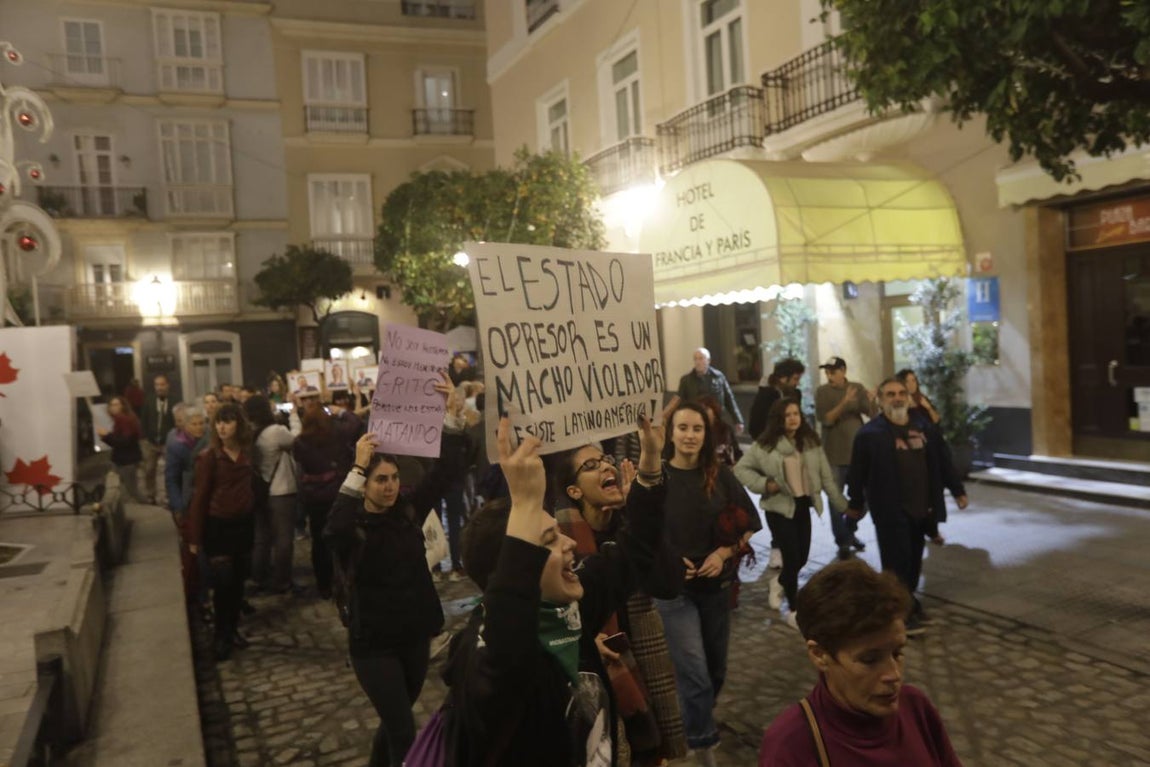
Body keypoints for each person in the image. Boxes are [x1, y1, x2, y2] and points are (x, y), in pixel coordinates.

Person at [446, 414, 667, 766]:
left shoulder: (567, 611)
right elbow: (507, 647)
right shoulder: (481, 655)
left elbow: (635, 549)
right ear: (512, 568)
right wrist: (524, 505)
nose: (568, 543)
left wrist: (651, 465)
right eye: (548, 539)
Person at [551, 442, 689, 765]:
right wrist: (584, 638)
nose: (605, 466)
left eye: (606, 460)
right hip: (596, 676)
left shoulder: (633, 525)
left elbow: (669, 585)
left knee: (647, 750)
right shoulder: (558, 540)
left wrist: (636, 512)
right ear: (574, 491)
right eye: (590, 466)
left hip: (642, 660)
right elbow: (548, 611)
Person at [758, 559, 963, 766]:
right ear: (819, 655)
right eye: (870, 660)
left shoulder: (916, 707)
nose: (894, 675)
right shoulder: (790, 747)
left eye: (897, 652)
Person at [324, 431, 448, 767]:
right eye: (380, 480)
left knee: (396, 721)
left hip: (414, 636)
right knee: (403, 730)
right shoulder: (353, 528)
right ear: (364, 485)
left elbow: (444, 474)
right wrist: (358, 467)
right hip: (374, 645)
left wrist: (450, 422)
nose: (390, 486)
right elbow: (333, 529)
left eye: (394, 478)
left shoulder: (407, 513)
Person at [656, 402, 759, 766]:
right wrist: (668, 562)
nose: (689, 435)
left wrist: (724, 552)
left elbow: (751, 524)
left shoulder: (721, 475)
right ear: (670, 433)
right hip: (674, 592)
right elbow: (640, 536)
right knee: (695, 672)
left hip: (716, 589)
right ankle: (703, 748)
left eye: (697, 429)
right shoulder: (657, 478)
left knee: (715, 671)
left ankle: (693, 719)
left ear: (706, 434)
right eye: (682, 427)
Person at [846, 378, 968, 635]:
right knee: (895, 566)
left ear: (909, 397)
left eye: (901, 393)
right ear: (880, 400)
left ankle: (908, 604)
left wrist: (957, 490)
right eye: (890, 394)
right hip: (890, 510)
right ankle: (897, 616)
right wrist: (855, 504)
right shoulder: (870, 434)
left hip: (921, 508)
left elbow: (942, 461)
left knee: (913, 563)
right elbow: (857, 473)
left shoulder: (923, 427)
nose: (897, 398)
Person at [734, 399, 847, 630]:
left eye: (796, 413)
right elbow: (740, 469)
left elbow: (826, 477)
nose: (793, 418)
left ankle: (780, 581)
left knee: (801, 558)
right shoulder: (766, 445)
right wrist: (766, 484)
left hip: (802, 507)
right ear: (779, 419)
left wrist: (843, 506)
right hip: (778, 509)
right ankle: (794, 610)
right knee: (792, 557)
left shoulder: (811, 442)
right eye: (787, 415)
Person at [187, 402, 255, 660]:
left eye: (227, 421)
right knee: (223, 584)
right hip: (218, 527)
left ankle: (232, 630)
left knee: (237, 583)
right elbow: (200, 497)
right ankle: (221, 636)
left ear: (239, 424)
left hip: (242, 525)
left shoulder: (246, 453)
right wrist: (194, 537)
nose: (222, 427)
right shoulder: (210, 457)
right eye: (218, 422)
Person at [294, 388, 357, 598]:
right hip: (338, 494)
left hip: (315, 498)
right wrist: (340, 411)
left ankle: (324, 585)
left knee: (319, 541)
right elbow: (355, 422)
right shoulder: (337, 434)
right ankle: (346, 578)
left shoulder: (299, 443)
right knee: (344, 537)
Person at [814, 357, 874, 560]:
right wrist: (845, 403)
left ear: (843, 371)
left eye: (833, 371)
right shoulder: (822, 392)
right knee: (835, 500)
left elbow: (872, 415)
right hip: (833, 456)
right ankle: (843, 541)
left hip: (858, 456)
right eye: (827, 372)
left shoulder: (857, 387)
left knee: (866, 497)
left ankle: (849, 529)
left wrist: (872, 400)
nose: (829, 375)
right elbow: (826, 419)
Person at [244, 395, 299, 595]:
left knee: (262, 537)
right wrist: (294, 415)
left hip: (259, 489)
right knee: (283, 538)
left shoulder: (249, 432)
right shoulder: (275, 432)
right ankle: (282, 580)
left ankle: (259, 577)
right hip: (280, 489)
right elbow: (296, 439)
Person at [668, 348, 745, 435]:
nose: (698, 362)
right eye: (695, 359)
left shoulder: (718, 377)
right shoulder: (686, 380)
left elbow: (729, 399)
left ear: (708, 360)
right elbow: (680, 403)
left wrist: (738, 420)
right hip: (695, 421)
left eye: (701, 358)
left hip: (715, 421)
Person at [139, 373, 176, 505]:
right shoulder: (149, 400)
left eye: (162, 384)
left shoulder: (174, 401)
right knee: (149, 470)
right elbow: (143, 419)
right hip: (150, 442)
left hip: (168, 442)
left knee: (170, 469)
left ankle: (169, 495)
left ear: (167, 385)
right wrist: (144, 437)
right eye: (157, 385)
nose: (159, 387)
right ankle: (151, 495)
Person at [747, 358, 805, 441]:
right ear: (783, 378)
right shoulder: (767, 395)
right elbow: (755, 424)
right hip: (770, 442)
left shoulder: (796, 394)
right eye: (795, 379)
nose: (798, 383)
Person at [165, 403, 206, 516]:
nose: (198, 427)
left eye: (201, 423)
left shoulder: (209, 438)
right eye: (194, 424)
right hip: (188, 494)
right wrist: (179, 506)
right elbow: (172, 478)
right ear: (186, 426)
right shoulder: (177, 446)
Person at [98, 395, 142, 500]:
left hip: (126, 461)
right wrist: (106, 437)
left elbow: (124, 442)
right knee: (117, 488)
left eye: (116, 404)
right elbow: (118, 442)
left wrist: (106, 436)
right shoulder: (123, 418)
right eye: (111, 405)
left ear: (123, 406)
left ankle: (148, 505)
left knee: (132, 491)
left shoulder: (123, 419)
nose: (113, 407)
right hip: (122, 460)